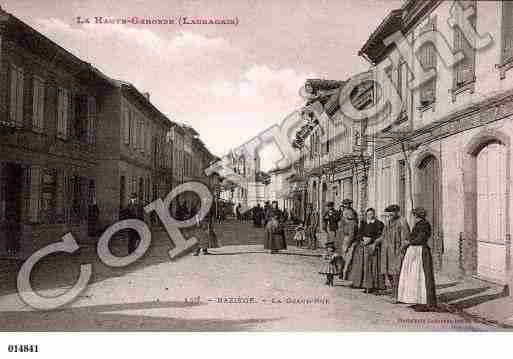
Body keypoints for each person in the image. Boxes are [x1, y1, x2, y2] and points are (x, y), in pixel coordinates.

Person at [397, 207, 437, 311]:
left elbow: (421, 238)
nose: (413, 217)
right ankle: (417, 300)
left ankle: (424, 302)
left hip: (420, 252)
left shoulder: (424, 225)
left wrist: (409, 242)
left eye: (413, 215)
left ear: (416, 216)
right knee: (414, 276)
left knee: (421, 276)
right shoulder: (419, 224)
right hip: (415, 252)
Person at [375, 204, 410, 301]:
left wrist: (401, 251)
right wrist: (376, 242)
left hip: (396, 251)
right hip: (386, 251)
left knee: (396, 273)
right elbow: (384, 235)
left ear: (396, 212)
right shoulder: (388, 223)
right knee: (388, 272)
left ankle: (397, 295)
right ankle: (394, 293)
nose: (389, 216)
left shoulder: (402, 222)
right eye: (388, 214)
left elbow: (406, 239)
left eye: (391, 213)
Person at [349, 208, 384, 293]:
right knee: (363, 267)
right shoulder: (363, 223)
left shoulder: (379, 224)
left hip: (373, 248)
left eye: (371, 214)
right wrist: (362, 239)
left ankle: (375, 286)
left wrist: (371, 240)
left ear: (374, 214)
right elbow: (359, 233)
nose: (370, 216)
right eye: (368, 214)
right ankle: (364, 285)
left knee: (373, 267)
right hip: (363, 247)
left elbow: (380, 235)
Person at [336, 203, 358, 280]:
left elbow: (351, 236)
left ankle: (345, 275)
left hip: (348, 241)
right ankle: (341, 273)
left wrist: (348, 245)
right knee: (342, 258)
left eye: (345, 214)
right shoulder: (346, 222)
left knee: (346, 259)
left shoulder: (352, 223)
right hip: (343, 240)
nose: (343, 215)